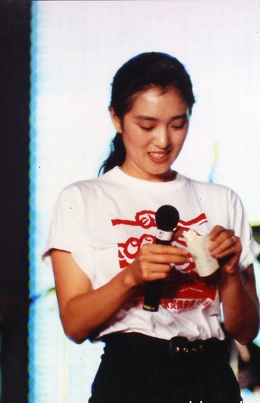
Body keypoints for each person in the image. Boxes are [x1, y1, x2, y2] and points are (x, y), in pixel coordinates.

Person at [45, 52, 260, 402]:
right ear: (116, 118)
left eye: (177, 124)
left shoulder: (222, 200)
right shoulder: (82, 199)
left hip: (211, 379)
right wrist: (131, 277)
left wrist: (231, 272)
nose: (163, 140)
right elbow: (74, 324)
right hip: (131, 378)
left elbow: (246, 330)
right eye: (147, 126)